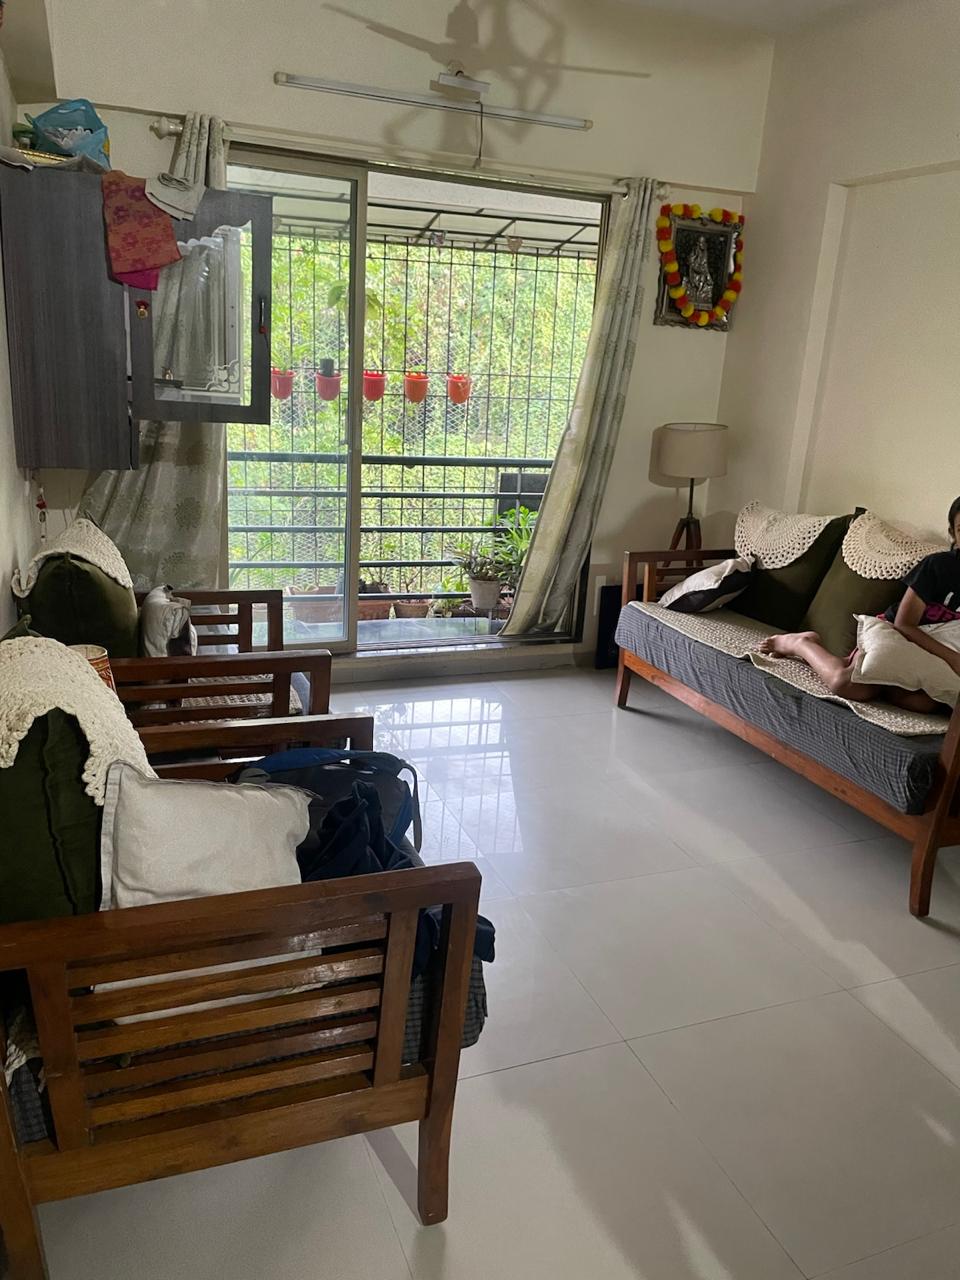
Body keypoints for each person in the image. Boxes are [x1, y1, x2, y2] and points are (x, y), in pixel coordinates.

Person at [758, 496, 960, 713]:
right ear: (953, 534)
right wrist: (953, 659)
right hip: (894, 633)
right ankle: (800, 643)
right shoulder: (938, 566)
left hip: (929, 654)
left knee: (920, 703)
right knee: (848, 685)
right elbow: (904, 624)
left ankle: (860, 671)